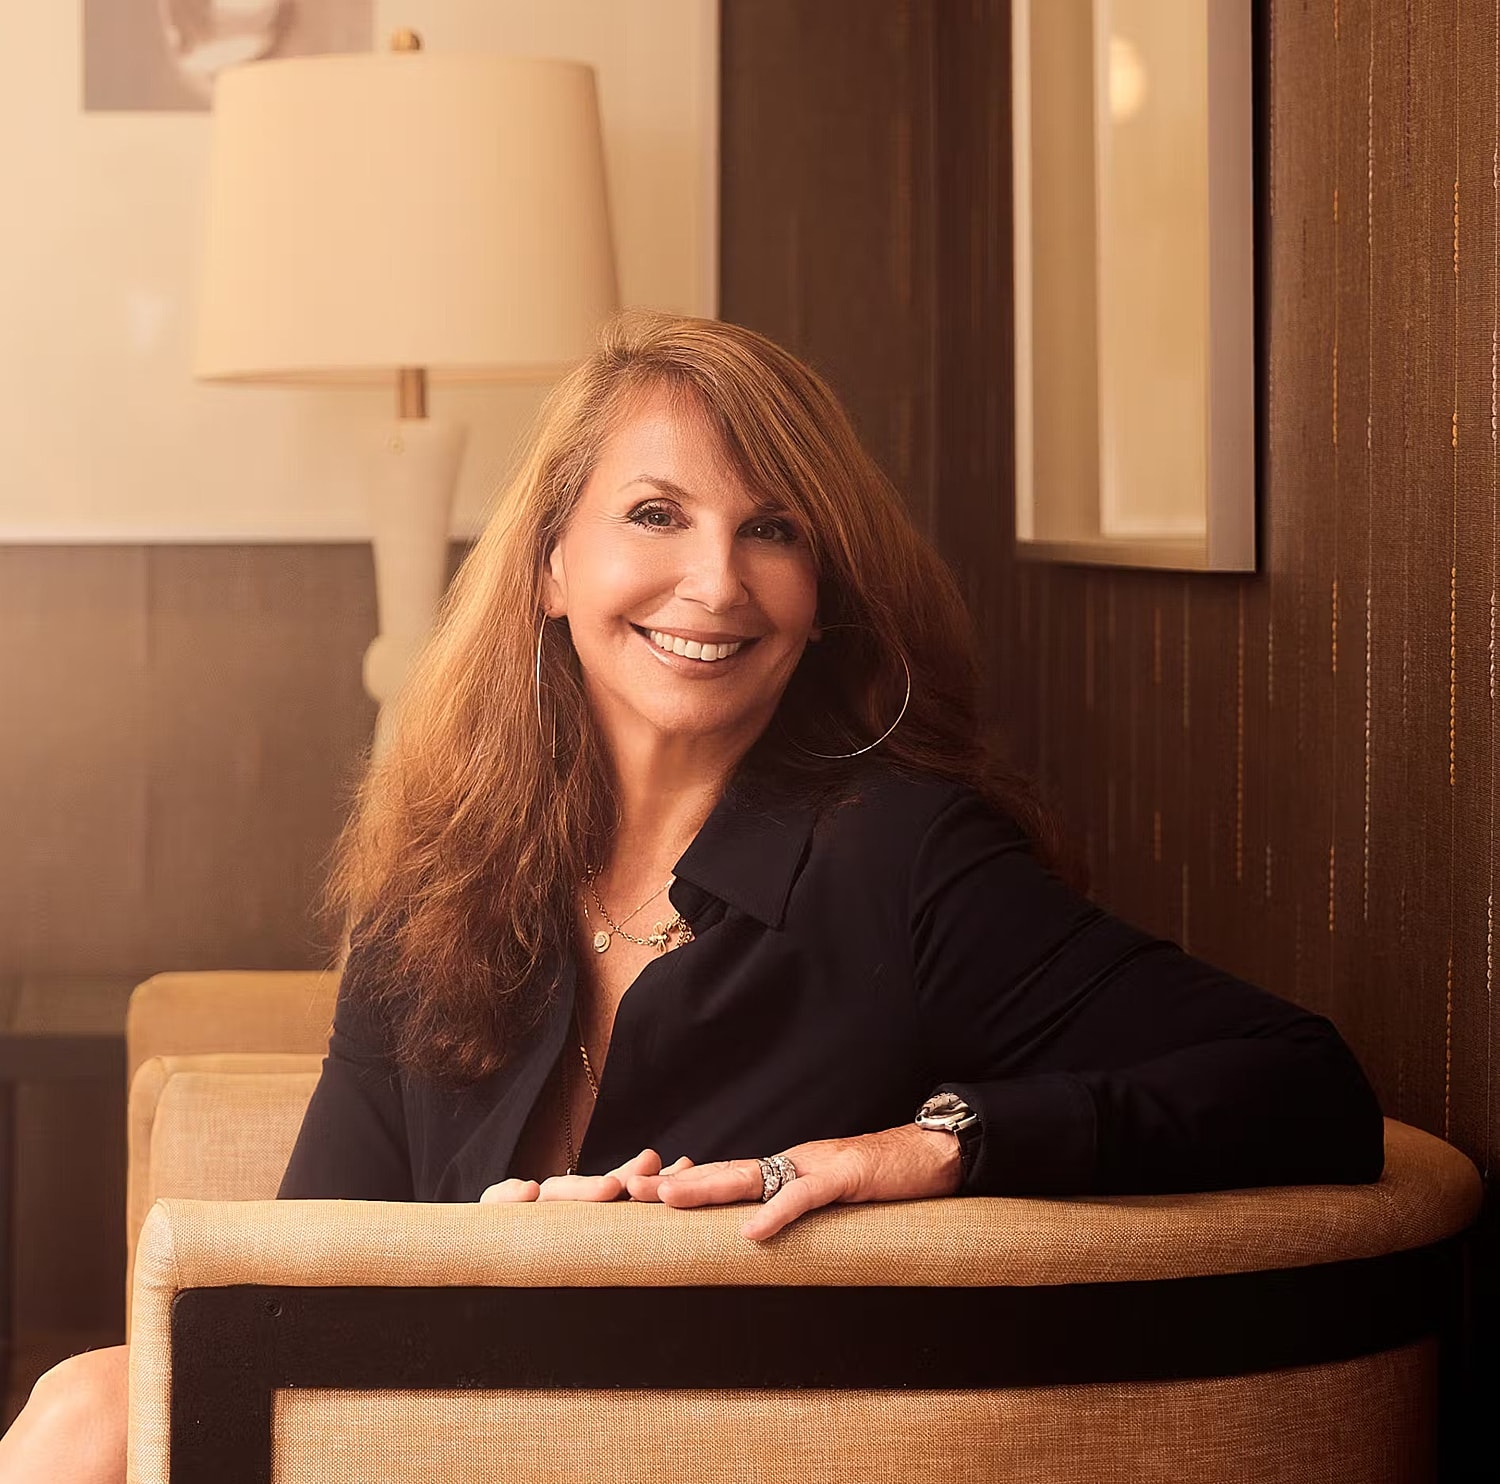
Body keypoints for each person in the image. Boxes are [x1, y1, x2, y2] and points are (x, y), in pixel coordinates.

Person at [0, 312, 1384, 1480]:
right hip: (448, 1440)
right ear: (551, 567)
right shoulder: (444, 875)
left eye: (771, 530)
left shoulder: (907, 860)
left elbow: (1302, 1080)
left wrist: (934, 1146)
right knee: (86, 1407)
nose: (716, 583)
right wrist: (497, 1254)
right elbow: (302, 1268)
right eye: (656, 515)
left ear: (821, 593)